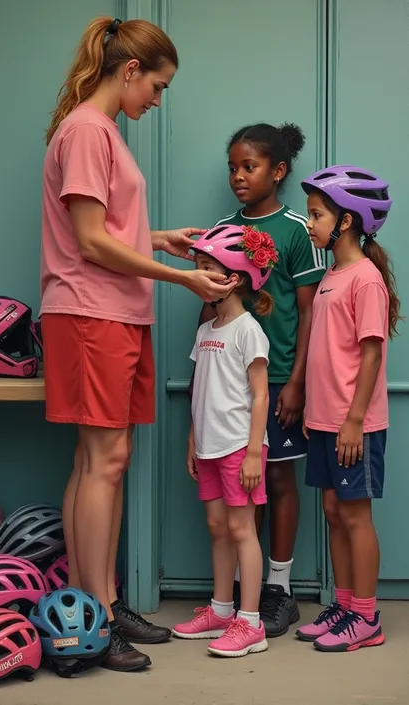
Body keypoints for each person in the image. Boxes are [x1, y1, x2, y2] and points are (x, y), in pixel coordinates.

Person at [39, 16, 235, 673]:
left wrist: (159, 236)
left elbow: (104, 230)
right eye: (157, 85)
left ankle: (101, 601)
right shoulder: (89, 131)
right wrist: (180, 276)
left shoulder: (100, 132)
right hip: (92, 314)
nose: (157, 99)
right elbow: (90, 243)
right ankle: (93, 614)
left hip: (114, 314)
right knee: (107, 458)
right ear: (129, 71)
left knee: (101, 458)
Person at [195, 123, 326, 637]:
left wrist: (296, 382)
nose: (237, 176)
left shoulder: (297, 228)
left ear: (278, 171)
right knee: (242, 491)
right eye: (232, 167)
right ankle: (238, 599)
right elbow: (208, 302)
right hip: (227, 386)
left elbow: (309, 312)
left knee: (277, 477)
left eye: (248, 166)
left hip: (276, 382)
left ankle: (280, 588)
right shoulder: (223, 227)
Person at [296, 165, 400, 652]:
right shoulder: (332, 275)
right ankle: (344, 604)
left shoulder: (364, 279)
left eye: (317, 215)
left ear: (348, 221)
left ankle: (366, 615)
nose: (310, 223)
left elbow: (372, 352)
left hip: (352, 424)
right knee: (334, 510)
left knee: (356, 515)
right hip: (324, 421)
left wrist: (355, 419)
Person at [173, 223, 277, 657]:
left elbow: (260, 394)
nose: (199, 277)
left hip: (240, 447)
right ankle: (220, 610)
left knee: (241, 529)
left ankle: (250, 623)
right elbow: (201, 389)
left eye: (206, 269)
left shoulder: (248, 329)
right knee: (218, 528)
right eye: (197, 268)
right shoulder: (207, 330)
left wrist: (255, 451)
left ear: (233, 277)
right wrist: (194, 439)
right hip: (210, 446)